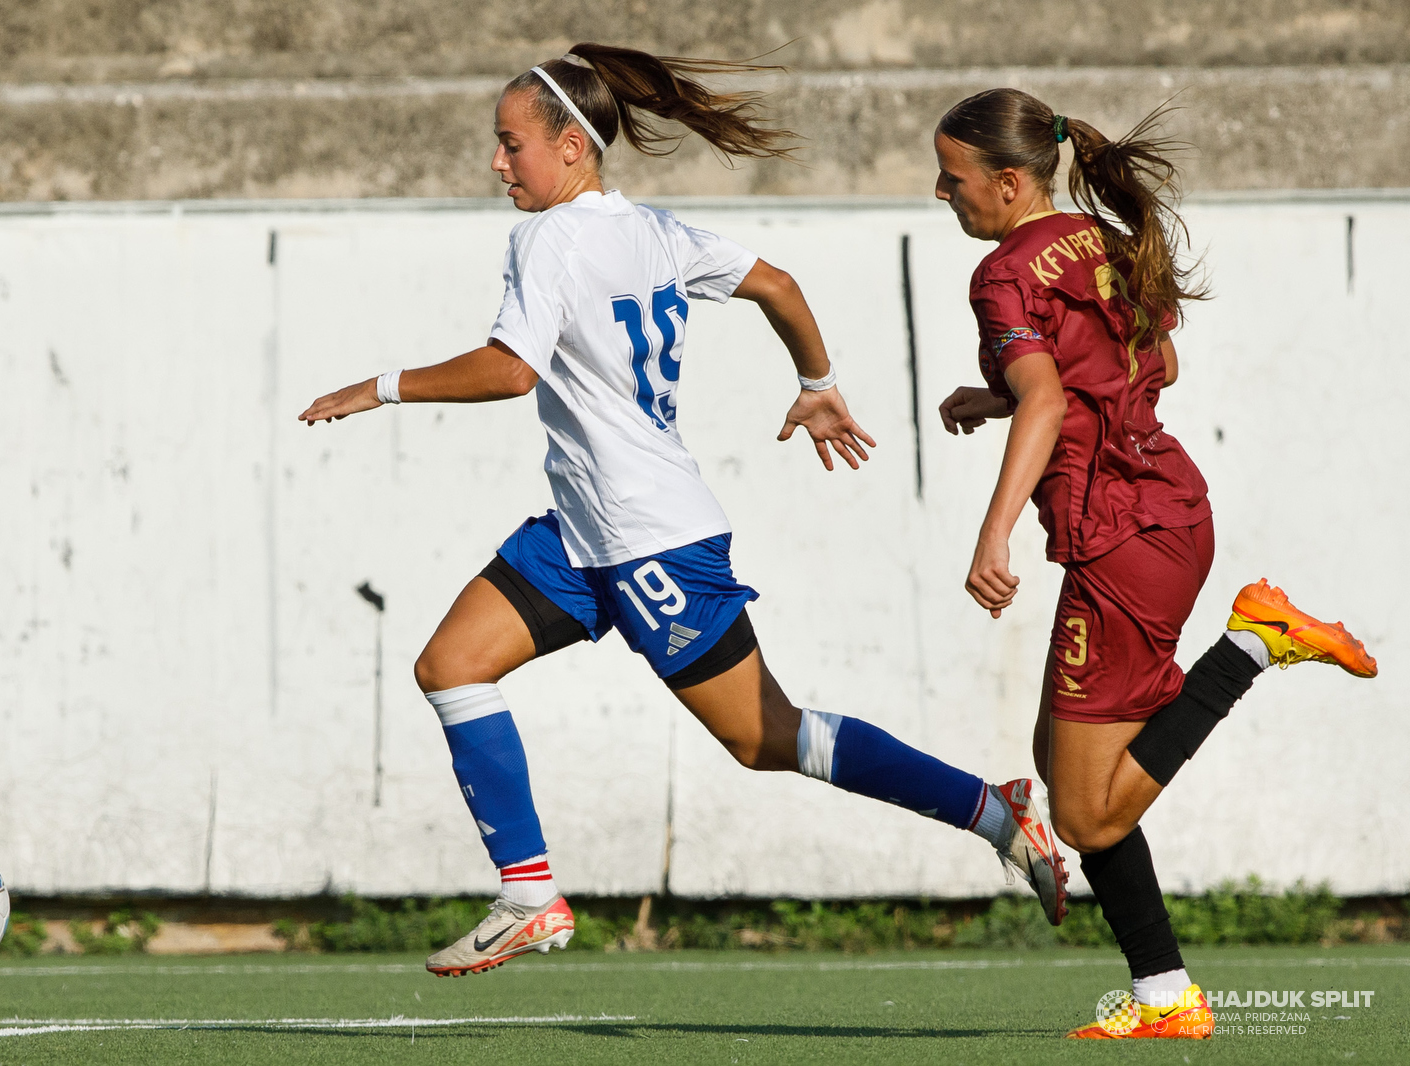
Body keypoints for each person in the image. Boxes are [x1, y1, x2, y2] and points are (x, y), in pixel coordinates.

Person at [301, 45, 1068, 979]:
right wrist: (817, 383)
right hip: (584, 534)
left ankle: (996, 810)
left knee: (766, 738)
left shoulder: (549, 239)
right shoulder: (652, 231)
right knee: (451, 666)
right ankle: (530, 897)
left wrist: (378, 386)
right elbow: (777, 284)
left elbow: (510, 371)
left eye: (511, 146)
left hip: (650, 540)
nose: (498, 164)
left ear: (573, 149)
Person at [932, 88, 1377, 1039]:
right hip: (1160, 515)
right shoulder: (1101, 237)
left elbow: (1054, 400)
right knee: (1062, 767)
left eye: (953, 177)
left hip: (1125, 540)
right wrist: (1002, 394)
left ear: (1009, 183)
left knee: (1087, 817)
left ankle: (1253, 646)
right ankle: (1164, 994)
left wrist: (993, 531)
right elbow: (1147, 368)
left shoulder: (1006, 273)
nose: (942, 193)